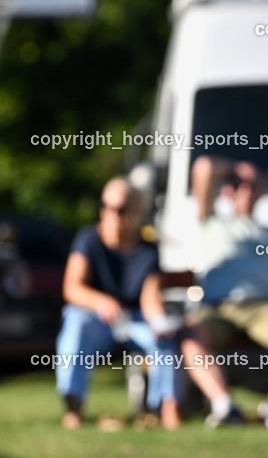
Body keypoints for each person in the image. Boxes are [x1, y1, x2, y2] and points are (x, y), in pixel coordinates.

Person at [179, 156, 268, 430]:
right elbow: (203, 167)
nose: (245, 190)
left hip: (262, 308)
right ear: (227, 191)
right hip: (218, 308)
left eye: (252, 185)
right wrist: (236, 170)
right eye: (238, 185)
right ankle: (224, 405)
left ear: (261, 192)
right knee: (191, 334)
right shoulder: (210, 221)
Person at [57, 176, 181, 429]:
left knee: (164, 339)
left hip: (134, 319)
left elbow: (150, 297)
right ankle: (73, 407)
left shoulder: (149, 249)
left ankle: (166, 409)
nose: (111, 214)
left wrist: (159, 322)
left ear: (137, 212)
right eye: (105, 206)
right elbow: (72, 288)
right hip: (96, 319)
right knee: (75, 323)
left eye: (120, 209)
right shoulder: (88, 239)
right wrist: (101, 302)